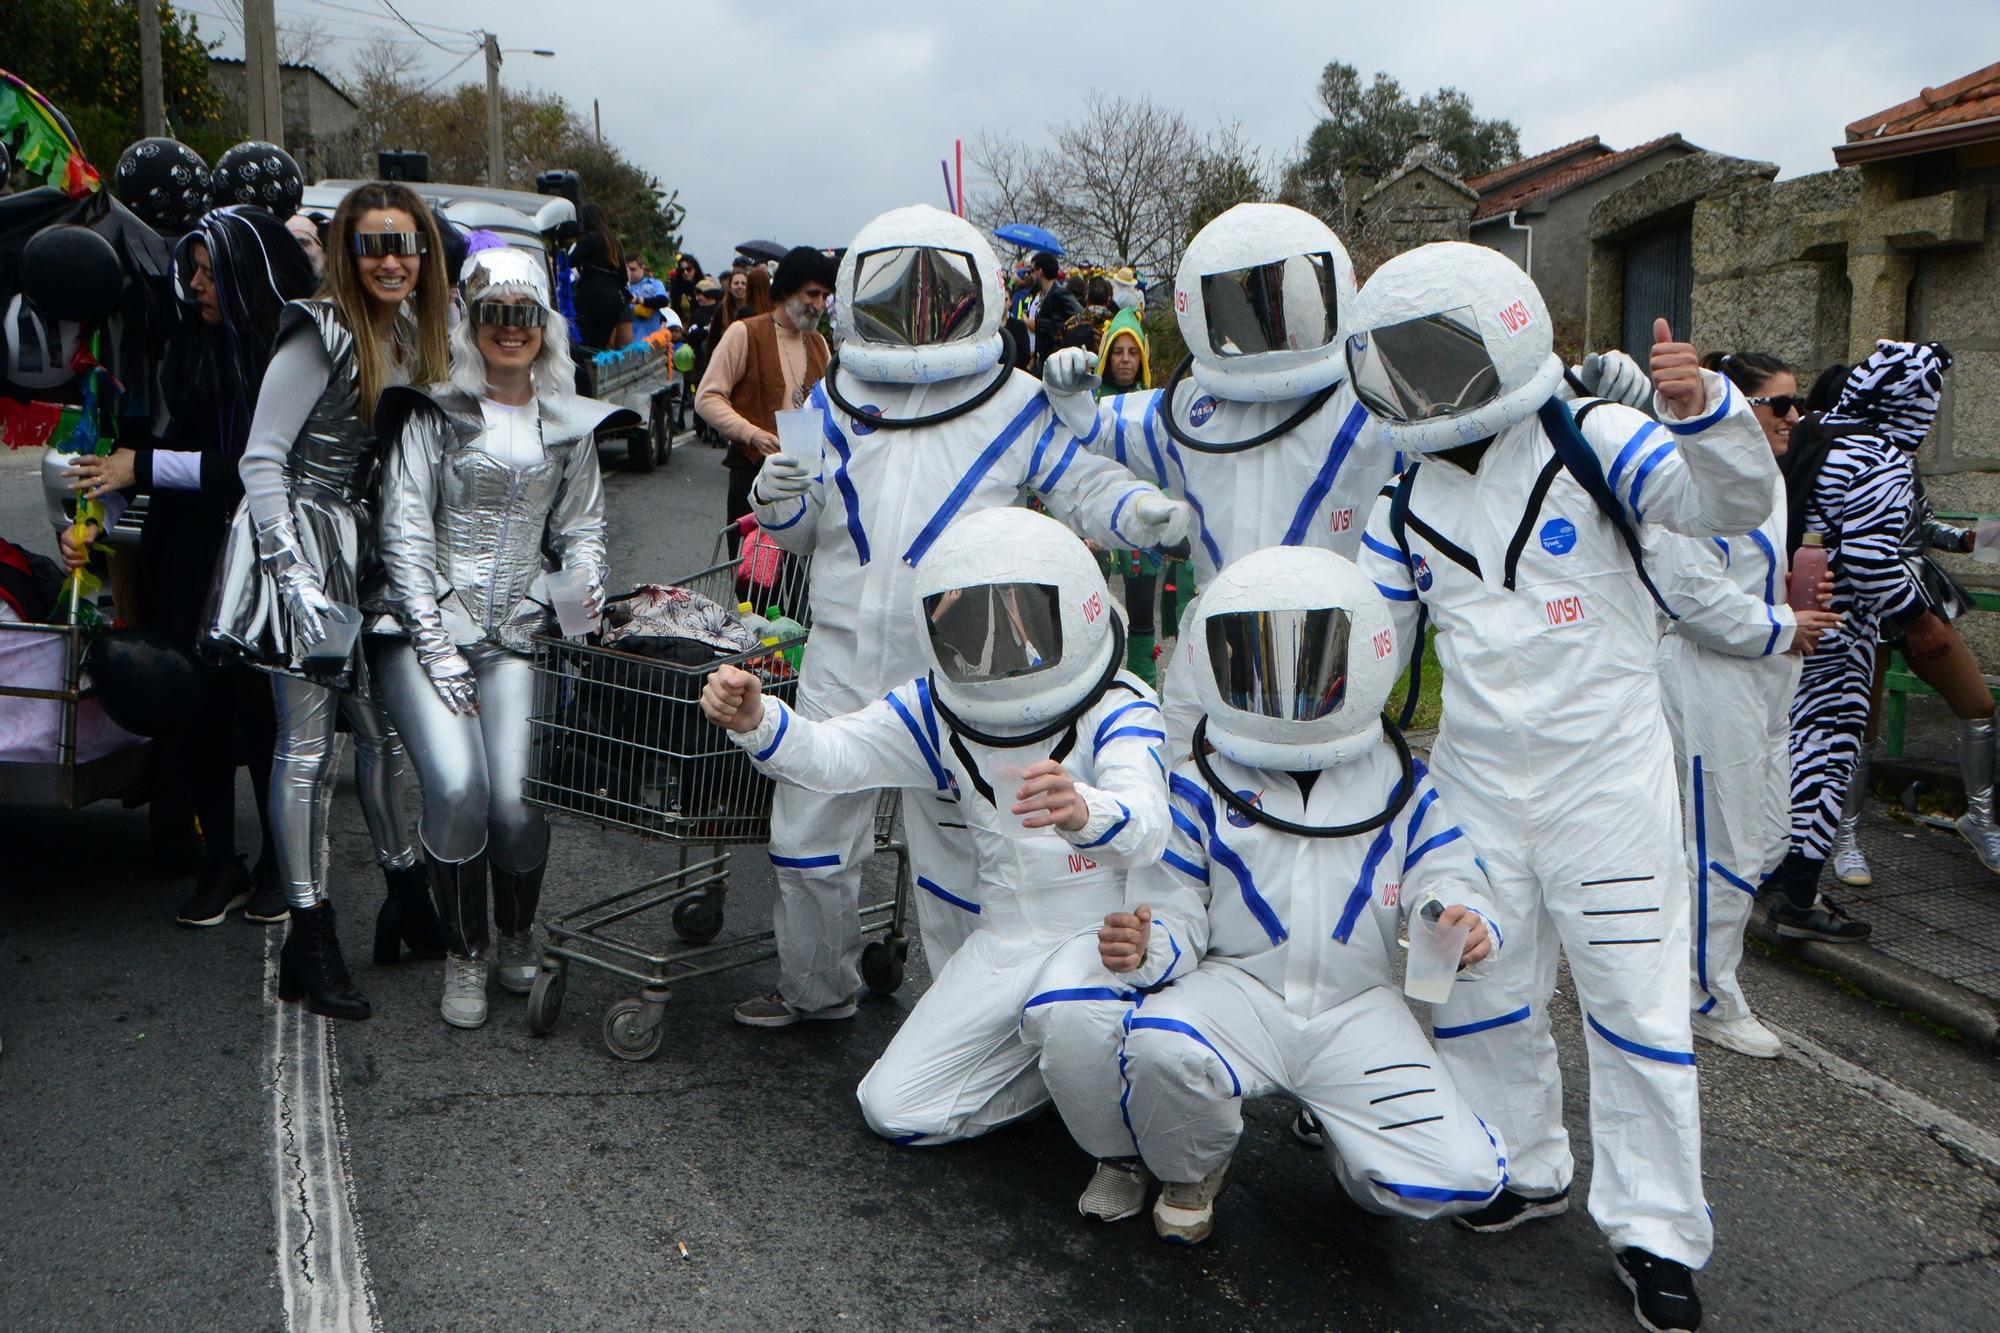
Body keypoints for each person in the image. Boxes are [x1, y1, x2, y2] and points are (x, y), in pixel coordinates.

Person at [1353, 242, 1779, 1333]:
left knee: (1633, 1010)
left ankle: (1654, 1232)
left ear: (1500, 334)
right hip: (1476, 779)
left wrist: (1704, 408)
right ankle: (1520, 1163)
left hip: (1607, 778)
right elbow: (1363, 640)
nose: (1418, 383)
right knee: (1483, 995)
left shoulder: (1597, 439)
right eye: (1398, 361)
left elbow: (1721, 505)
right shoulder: (1399, 496)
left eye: (1434, 356)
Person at [739, 203, 1192, 1028]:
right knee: (807, 839)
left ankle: (966, 1027)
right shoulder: (827, 396)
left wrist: (1138, 510)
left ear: (972, 294)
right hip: (840, 649)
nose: (917, 314)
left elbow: (1077, 479)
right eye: (899, 294)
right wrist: (774, 501)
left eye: (934, 294)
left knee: (961, 858)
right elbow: (803, 532)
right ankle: (816, 988)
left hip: (959, 666)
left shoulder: (1014, 401)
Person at [1041, 206, 1655, 761]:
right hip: (1215, 632)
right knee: (1186, 788)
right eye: (1246, 304)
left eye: (1281, 300)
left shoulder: (1365, 397)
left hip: (1332, 636)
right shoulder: (1188, 410)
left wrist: (1572, 388)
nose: (1268, 321)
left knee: (1329, 805)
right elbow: (1097, 431)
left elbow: (1471, 407)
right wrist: (1073, 396)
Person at [1031, 546, 1508, 1242]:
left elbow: (1449, 874)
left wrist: (1469, 923)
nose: (1285, 685)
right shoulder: (1198, 781)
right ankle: (1192, 1168)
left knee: (1458, 1178)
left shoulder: (1404, 780)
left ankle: (1359, 1158)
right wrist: (1145, 948)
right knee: (1163, 1045)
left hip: (1356, 1004)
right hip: (1239, 991)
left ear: (1364, 657)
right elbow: (1173, 910)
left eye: (1307, 660)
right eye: (1260, 661)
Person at [701, 507, 1168, 1148]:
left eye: (1024, 618)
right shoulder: (938, 704)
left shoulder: (1122, 705)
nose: (1003, 646)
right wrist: (758, 719)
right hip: (1005, 942)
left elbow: (1148, 825)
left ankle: (1114, 1098)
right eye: (975, 620)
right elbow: (837, 755)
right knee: (894, 1109)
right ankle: (1055, 1071)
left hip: (1103, 940)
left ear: (1079, 609)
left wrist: (1088, 813)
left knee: (1069, 1018)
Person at [205, 181, 452, 1022]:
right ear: (348, 252)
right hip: (302, 544)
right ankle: (310, 938)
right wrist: (292, 573)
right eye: (374, 244)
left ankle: (406, 895)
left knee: (384, 731)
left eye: (405, 244)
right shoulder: (323, 330)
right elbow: (261, 459)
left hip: (365, 548)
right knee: (309, 748)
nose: (391, 259)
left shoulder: (418, 335)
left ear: (424, 254)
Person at [370, 247, 619, 1029]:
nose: (510, 330)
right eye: (494, 314)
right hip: (420, 628)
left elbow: (583, 529)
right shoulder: (429, 411)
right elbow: (402, 532)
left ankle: (515, 932)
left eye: (525, 315)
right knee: (455, 787)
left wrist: (580, 603)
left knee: (515, 800)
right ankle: (464, 948)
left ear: (544, 325)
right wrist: (436, 642)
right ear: (470, 321)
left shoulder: (570, 423)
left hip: (517, 632)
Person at [63, 205, 316, 926]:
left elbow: (251, 467)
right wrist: (102, 516)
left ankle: (278, 860)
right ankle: (219, 863)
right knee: (194, 707)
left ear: (248, 274)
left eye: (211, 272)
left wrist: (138, 465)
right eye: (194, 270)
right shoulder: (187, 344)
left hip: (256, 549)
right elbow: (154, 446)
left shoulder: (287, 352)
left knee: (262, 714)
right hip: (185, 548)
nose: (196, 284)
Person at [1654, 352, 1843, 1058]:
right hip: (1708, 675)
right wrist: (1781, 626)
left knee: (1763, 832)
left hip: (1763, 676)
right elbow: (1688, 592)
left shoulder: (1770, 479)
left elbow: (1747, 582)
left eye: (1798, 404)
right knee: (1720, 842)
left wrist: (1795, 609)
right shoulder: (1684, 478)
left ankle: (1680, 970)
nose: (1795, 419)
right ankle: (1707, 993)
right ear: (1737, 409)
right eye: (1780, 405)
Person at [1775, 342, 1957, 940]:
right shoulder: (1880, 457)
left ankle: (1776, 871)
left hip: (1793, 620)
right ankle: (1800, 900)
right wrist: (1920, 617)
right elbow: (1874, 559)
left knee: (1792, 750)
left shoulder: (1821, 432)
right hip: (1841, 630)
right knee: (1827, 756)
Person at [1818, 361, 1999, 884]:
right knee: (1859, 727)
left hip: (1919, 595)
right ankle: (1845, 838)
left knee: (1977, 705)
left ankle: (1981, 819)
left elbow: (1921, 525)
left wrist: (1978, 540)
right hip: (1859, 600)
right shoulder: (1839, 458)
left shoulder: (1899, 456)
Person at [695, 246, 837, 557]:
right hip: (752, 479)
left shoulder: (819, 343)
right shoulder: (744, 332)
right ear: (786, 290)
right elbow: (707, 397)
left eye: (825, 296)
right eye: (812, 294)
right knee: (755, 592)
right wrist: (752, 434)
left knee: (800, 595)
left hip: (806, 486)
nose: (819, 305)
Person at [568, 203, 630, 350]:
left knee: (582, 343)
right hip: (613, 301)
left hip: (591, 297)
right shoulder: (614, 243)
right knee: (600, 345)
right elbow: (623, 277)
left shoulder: (588, 239)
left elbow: (570, 261)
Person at [1028, 251, 1080, 373]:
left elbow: (1080, 316)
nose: (1031, 275)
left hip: (1058, 364)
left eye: (1032, 270)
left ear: (1040, 272)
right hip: (1045, 362)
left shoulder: (1059, 294)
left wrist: (1060, 332)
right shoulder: (1044, 295)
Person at [625, 254, 676, 342]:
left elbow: (663, 301)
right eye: (627, 270)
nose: (630, 273)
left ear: (642, 268)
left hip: (649, 340)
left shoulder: (655, 283)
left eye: (633, 269)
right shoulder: (623, 287)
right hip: (627, 341)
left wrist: (638, 300)